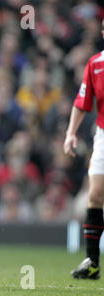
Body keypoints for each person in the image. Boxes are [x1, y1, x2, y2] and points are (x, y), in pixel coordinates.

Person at [64, 20, 104, 280]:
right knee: (95, 196)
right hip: (102, 134)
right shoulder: (96, 64)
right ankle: (91, 262)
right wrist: (70, 133)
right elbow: (82, 102)